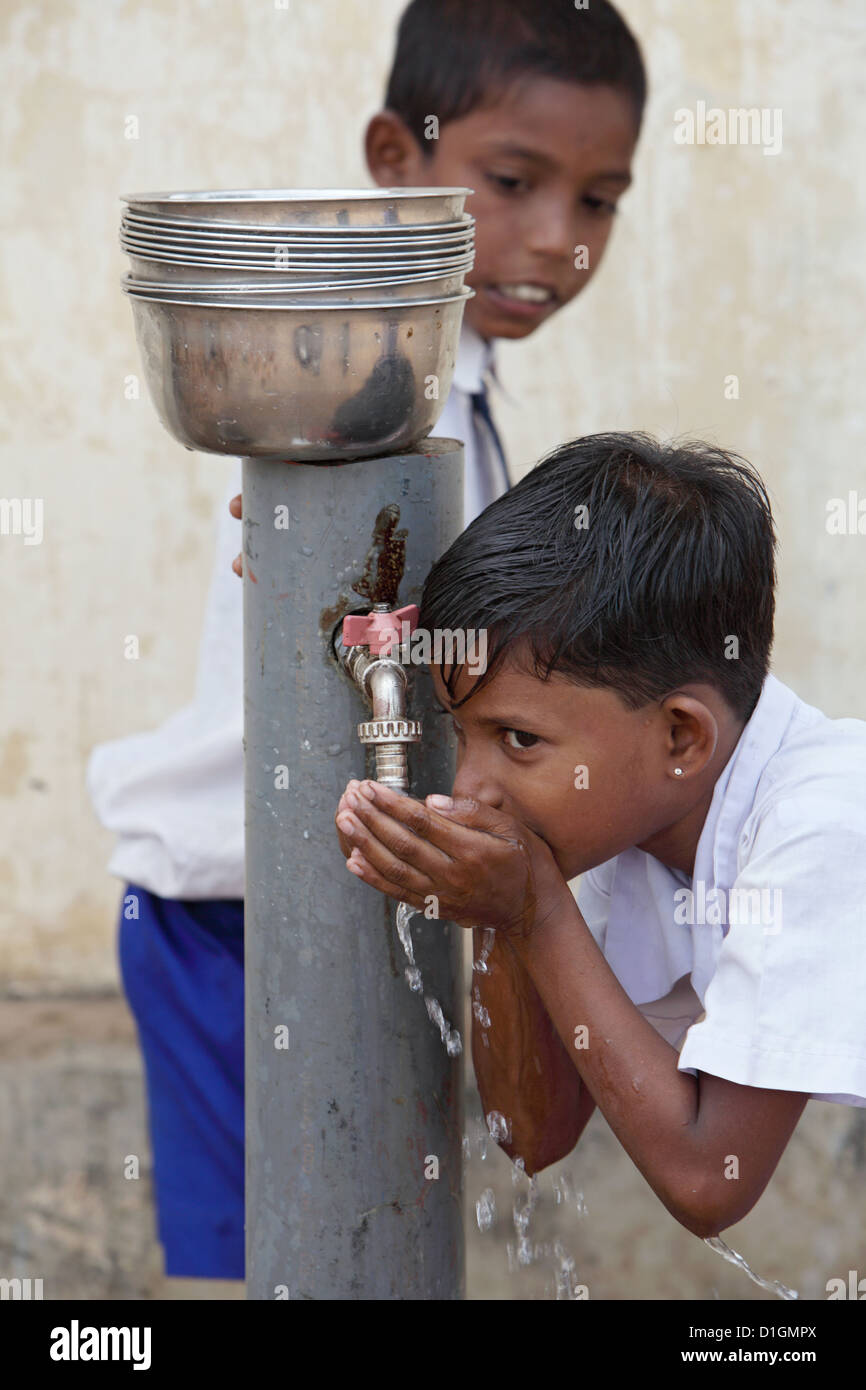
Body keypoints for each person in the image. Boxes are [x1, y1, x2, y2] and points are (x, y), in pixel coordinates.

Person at [87, 0, 647, 1282]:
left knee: (360, 1241)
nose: (555, 239)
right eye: (512, 182)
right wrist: (310, 555)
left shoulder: (455, 388)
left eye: (598, 200)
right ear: (395, 160)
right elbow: (323, 570)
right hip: (224, 914)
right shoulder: (355, 382)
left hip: (337, 884)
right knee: (261, 1267)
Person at [334, 431, 866, 1236]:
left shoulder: (824, 821)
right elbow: (533, 1135)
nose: (469, 790)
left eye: (518, 740)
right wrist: (501, 912)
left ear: (682, 738)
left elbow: (709, 1181)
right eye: (459, 734)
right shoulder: (632, 820)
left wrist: (535, 912)